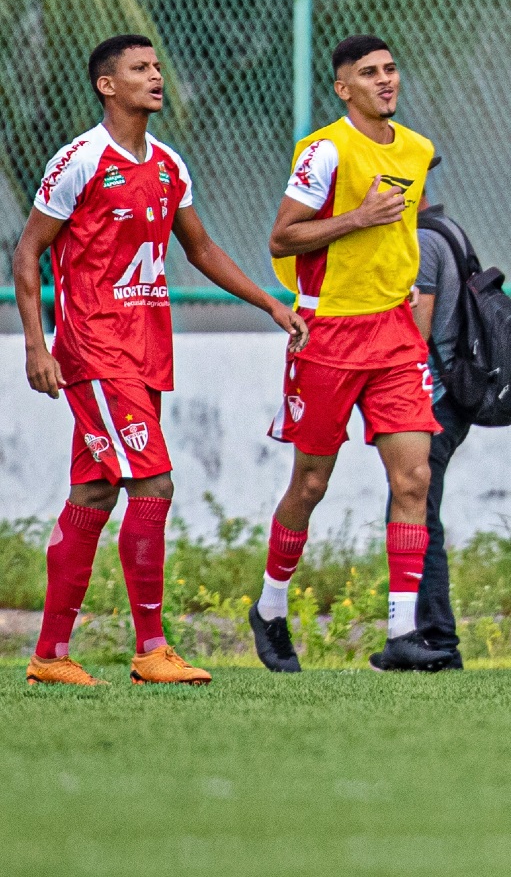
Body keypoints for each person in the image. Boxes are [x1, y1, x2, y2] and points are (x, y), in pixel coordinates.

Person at [14, 34, 307, 686]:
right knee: (154, 483)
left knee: (92, 492)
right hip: (94, 350)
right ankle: (150, 649)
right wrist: (38, 344)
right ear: (107, 85)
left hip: (146, 354)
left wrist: (269, 302)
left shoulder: (170, 165)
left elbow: (200, 249)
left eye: (156, 66)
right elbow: (28, 249)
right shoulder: (80, 161)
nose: (156, 75)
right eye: (139, 68)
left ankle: (49, 656)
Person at [252, 34, 449, 674]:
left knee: (414, 478)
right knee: (311, 483)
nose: (386, 80)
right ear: (344, 88)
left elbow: (403, 241)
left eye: (391, 69)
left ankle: (400, 635)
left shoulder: (418, 150)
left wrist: (415, 308)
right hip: (328, 333)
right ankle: (271, 608)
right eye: (369, 73)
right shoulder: (325, 150)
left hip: (393, 335)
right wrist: (356, 218)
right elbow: (284, 234)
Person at [404, 199, 473, 667]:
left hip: (436, 398)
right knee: (414, 507)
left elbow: (417, 328)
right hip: (446, 397)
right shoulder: (446, 228)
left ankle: (436, 640)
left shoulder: (425, 239)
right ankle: (423, 635)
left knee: (416, 512)